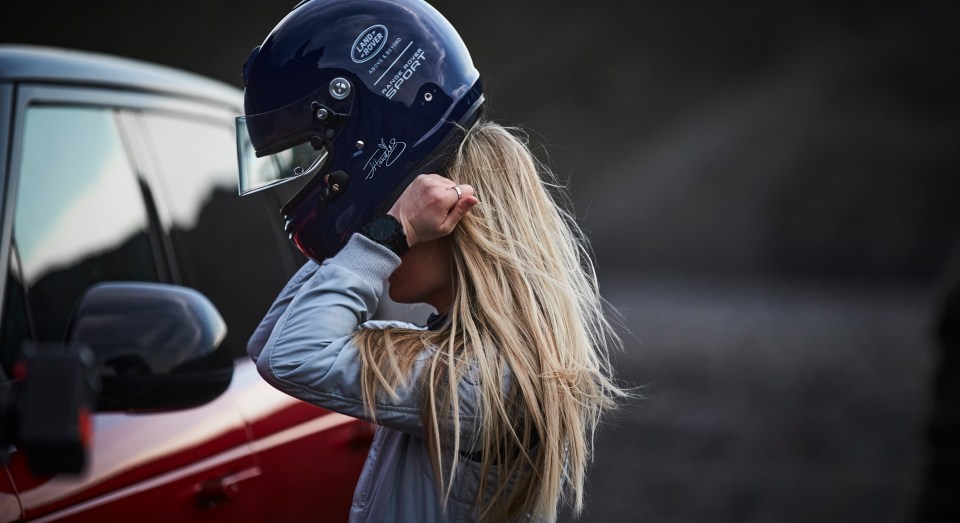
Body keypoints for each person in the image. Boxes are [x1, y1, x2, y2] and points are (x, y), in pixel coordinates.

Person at [239, 1, 625, 521]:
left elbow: (292, 354)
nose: (380, 240)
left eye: (398, 221)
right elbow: (270, 343)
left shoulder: (491, 385)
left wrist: (385, 233)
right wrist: (354, 229)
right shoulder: (458, 357)